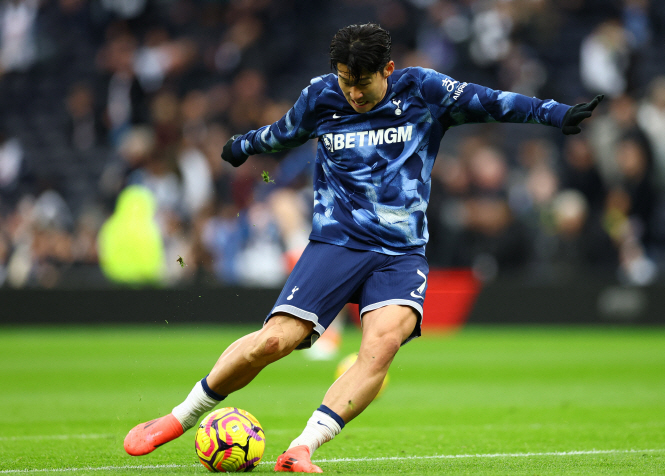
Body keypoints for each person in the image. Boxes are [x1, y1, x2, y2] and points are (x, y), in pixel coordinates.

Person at [123, 23, 602, 472]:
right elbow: (285, 131)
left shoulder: (424, 91)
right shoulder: (321, 96)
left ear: (387, 71)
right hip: (337, 243)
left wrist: (556, 114)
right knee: (274, 341)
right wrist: (245, 145)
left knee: (380, 347)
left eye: (363, 83)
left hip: (399, 253)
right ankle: (179, 418)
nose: (353, 93)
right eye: (346, 81)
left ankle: (300, 449)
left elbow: (494, 101)